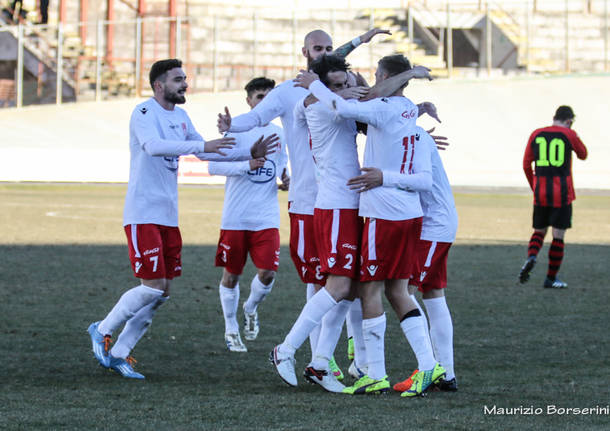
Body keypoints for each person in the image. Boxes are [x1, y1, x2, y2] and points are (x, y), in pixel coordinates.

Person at [87, 59, 278, 379]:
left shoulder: (182, 116)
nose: (185, 84)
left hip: (167, 215)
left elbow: (207, 153)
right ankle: (102, 328)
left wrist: (248, 157)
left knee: (161, 293)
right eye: (178, 80)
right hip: (143, 211)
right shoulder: (144, 113)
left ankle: (120, 352)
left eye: (185, 78)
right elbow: (153, 146)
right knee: (152, 287)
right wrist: (203, 144)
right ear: (159, 85)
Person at [217, 28, 390, 381]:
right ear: (304, 52)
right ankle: (318, 359)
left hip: (348, 196)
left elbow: (365, 102)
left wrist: (361, 41)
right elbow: (257, 118)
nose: (322, 52)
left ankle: (351, 359)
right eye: (316, 48)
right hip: (309, 202)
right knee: (322, 283)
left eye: (327, 48)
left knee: (351, 283)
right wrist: (232, 124)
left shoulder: (339, 85)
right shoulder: (293, 93)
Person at [280, 55, 444, 397]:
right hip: (356, 207)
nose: (351, 90)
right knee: (366, 289)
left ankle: (353, 368)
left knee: (360, 290)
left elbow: (349, 103)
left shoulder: (376, 107)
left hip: (373, 210)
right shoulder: (398, 109)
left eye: (351, 83)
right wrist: (317, 91)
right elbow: (338, 105)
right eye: (338, 85)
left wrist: (317, 86)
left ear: (382, 77)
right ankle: (424, 366)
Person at [365, 123, 459, 393]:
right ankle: (445, 373)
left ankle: (430, 368)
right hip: (435, 221)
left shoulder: (409, 134)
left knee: (403, 290)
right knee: (433, 293)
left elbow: (420, 180)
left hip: (432, 224)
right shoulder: (409, 132)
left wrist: (382, 177)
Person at [209, 77, 288, 353]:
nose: (264, 101)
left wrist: (285, 179)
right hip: (236, 217)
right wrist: (247, 164)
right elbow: (213, 167)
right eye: (259, 96)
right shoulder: (237, 129)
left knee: (268, 273)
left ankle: (251, 307)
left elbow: (281, 167)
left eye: (269, 96)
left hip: (266, 216)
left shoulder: (280, 133)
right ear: (249, 101)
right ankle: (231, 328)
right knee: (231, 275)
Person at [518, 105, 587, 288]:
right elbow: (583, 154)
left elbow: (526, 164)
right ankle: (550, 278)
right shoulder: (568, 134)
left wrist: (535, 185)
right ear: (569, 121)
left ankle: (532, 256)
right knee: (558, 236)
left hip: (540, 192)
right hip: (562, 194)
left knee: (539, 231)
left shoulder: (536, 134)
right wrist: (574, 137)